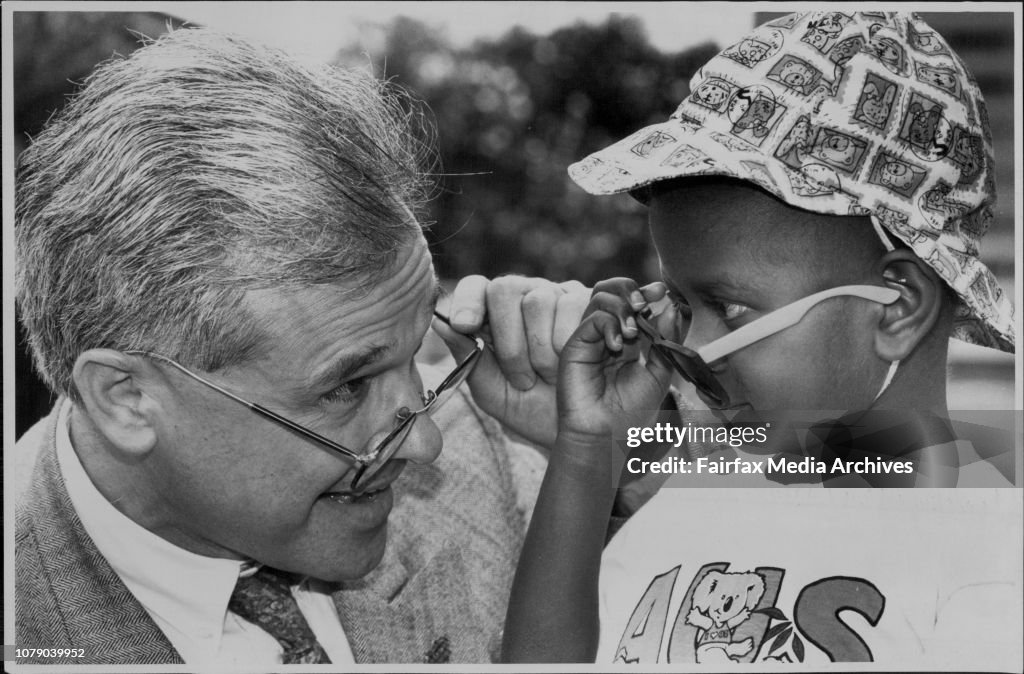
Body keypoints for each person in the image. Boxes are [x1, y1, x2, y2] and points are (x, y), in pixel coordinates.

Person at [12, 27, 586, 666]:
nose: (426, 443)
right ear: (127, 399)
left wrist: (626, 444)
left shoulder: (496, 440)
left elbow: (715, 480)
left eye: (420, 346)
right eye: (346, 387)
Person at [493, 11, 1021, 668]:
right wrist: (588, 453)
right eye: (682, 308)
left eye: (730, 308)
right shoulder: (690, 502)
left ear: (897, 309)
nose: (693, 357)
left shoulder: (991, 553)